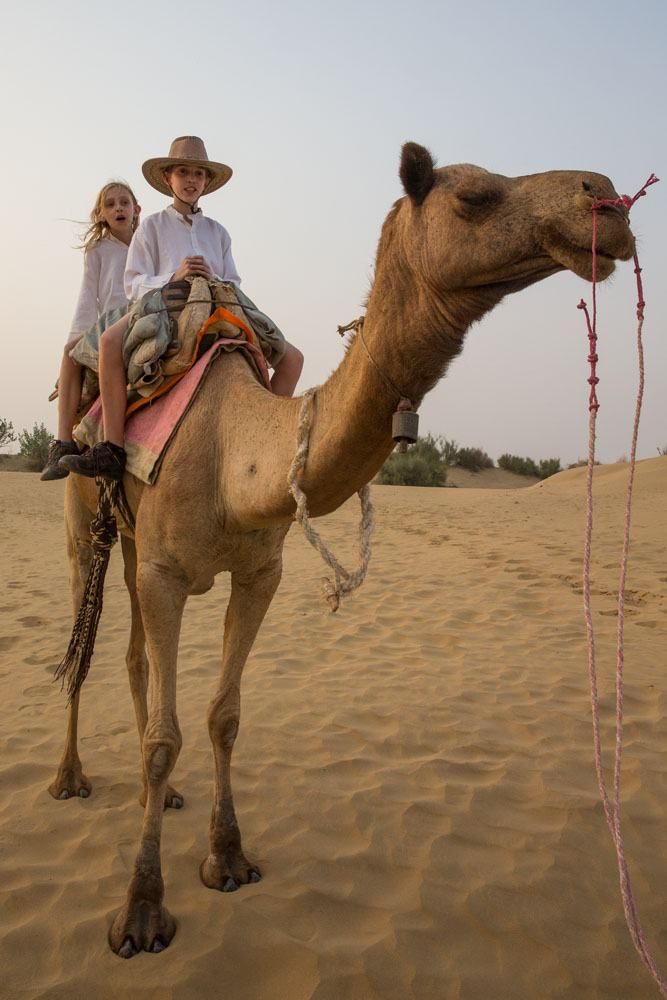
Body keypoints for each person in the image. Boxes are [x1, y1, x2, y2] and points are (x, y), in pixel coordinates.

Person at [61, 136, 304, 480]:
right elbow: (133, 282)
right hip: (163, 304)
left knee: (293, 359)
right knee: (108, 342)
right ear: (168, 179)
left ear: (206, 182)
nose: (191, 180)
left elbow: (233, 279)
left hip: (219, 301)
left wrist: (213, 277)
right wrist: (173, 276)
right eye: (183, 172)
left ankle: (264, 441)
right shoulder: (151, 227)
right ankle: (112, 448)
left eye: (199, 174)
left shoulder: (218, 233)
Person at [41, 181, 141, 480]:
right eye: (110, 204)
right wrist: (80, 334)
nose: (118, 208)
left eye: (124, 202)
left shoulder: (148, 240)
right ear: (100, 214)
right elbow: (88, 296)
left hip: (141, 314)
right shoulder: (97, 250)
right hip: (107, 323)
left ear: (137, 209)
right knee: (69, 352)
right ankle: (63, 442)